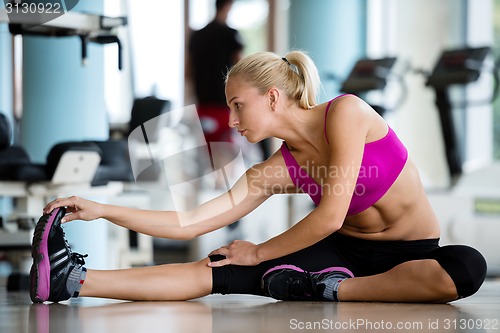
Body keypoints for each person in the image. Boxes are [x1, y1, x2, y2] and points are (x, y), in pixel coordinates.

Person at [30, 50, 487, 304]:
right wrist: (104, 210)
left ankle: (329, 288)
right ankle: (74, 280)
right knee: (216, 266)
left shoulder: (346, 114)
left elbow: (329, 216)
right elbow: (191, 221)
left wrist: (260, 253)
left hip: (415, 253)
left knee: (467, 267)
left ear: (272, 98)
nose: (230, 120)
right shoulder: (274, 169)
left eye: (237, 104)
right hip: (342, 251)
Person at [187, 0, 244, 144]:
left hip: (203, 103)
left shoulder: (197, 35)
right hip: (224, 103)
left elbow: (188, 72)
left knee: (207, 152)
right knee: (226, 151)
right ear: (228, 6)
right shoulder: (230, 35)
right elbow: (242, 70)